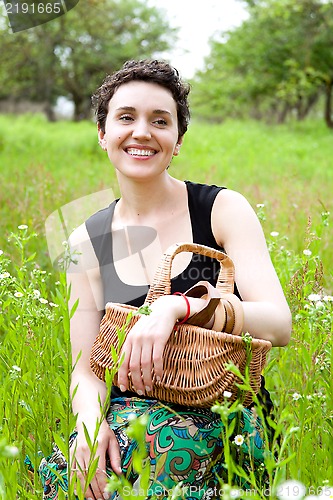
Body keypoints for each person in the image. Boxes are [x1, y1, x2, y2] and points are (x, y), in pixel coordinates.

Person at [39, 59, 292, 499]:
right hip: (130, 415)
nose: (142, 132)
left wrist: (181, 306)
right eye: (125, 117)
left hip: (223, 416)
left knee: (164, 462)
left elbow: (278, 323)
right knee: (71, 473)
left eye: (160, 121)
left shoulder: (221, 210)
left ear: (176, 141)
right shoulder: (85, 241)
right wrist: (89, 426)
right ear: (103, 135)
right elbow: (86, 369)